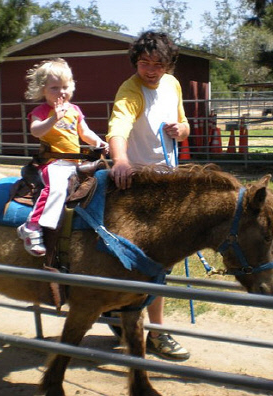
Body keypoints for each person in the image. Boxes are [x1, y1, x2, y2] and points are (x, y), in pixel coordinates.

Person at [106, 31, 191, 361]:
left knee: (159, 262)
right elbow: (118, 127)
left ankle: (139, 323)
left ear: (169, 64)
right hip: (137, 184)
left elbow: (184, 125)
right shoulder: (130, 90)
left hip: (167, 183)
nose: (151, 70)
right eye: (144, 63)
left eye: (159, 64)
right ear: (135, 62)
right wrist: (121, 161)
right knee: (149, 263)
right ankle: (153, 330)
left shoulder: (172, 84)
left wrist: (179, 131)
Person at [17, 58, 108, 257]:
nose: (61, 92)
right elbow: (36, 131)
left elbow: (85, 132)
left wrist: (98, 142)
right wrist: (53, 118)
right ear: (43, 90)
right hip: (53, 163)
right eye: (54, 88)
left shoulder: (74, 110)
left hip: (74, 163)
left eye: (65, 87)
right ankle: (32, 226)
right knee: (56, 189)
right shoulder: (40, 111)